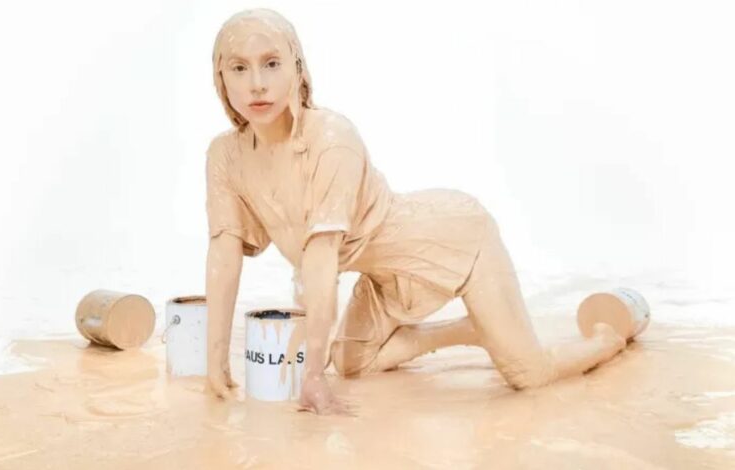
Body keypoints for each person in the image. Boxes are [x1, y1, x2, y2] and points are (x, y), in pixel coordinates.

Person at [205, 8, 628, 416]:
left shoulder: (331, 138)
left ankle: (608, 338)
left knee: (529, 374)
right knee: (351, 362)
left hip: (455, 241)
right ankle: (470, 329)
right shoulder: (226, 156)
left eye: (271, 63)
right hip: (381, 276)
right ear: (220, 77)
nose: (257, 84)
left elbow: (320, 259)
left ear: (297, 68)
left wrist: (313, 376)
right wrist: (215, 358)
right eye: (239, 68)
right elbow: (224, 253)